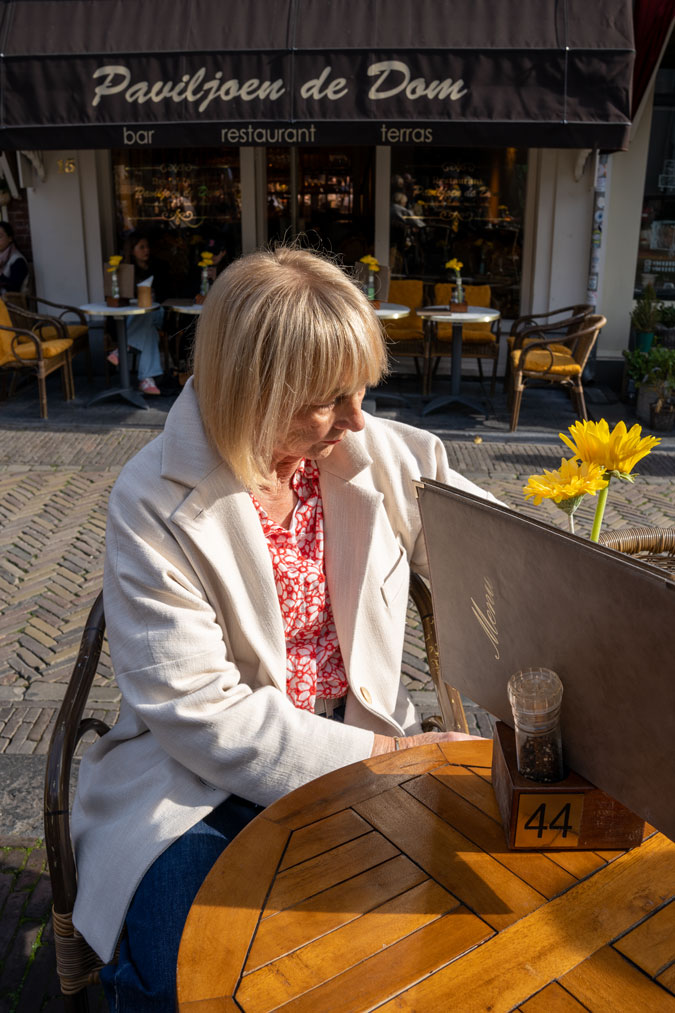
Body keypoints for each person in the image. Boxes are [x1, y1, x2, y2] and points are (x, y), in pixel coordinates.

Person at [71, 246, 497, 1011]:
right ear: (254, 391)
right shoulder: (149, 499)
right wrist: (392, 757)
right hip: (193, 785)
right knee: (190, 971)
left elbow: (501, 567)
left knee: (447, 946)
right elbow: (199, 713)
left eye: (362, 388)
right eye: (330, 398)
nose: (357, 417)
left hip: (369, 754)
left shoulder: (382, 453)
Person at [107, 233, 167, 395]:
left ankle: (123, 346)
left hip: (156, 313)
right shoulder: (125, 272)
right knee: (150, 333)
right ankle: (146, 380)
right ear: (132, 250)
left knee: (147, 311)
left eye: (147, 246)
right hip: (135, 318)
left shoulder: (158, 268)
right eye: (141, 247)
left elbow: (166, 297)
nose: (146, 250)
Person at [0, 221, 28, 294]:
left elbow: (14, 288)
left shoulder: (18, 260)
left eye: (0, 237)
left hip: (11, 304)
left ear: (10, 238)